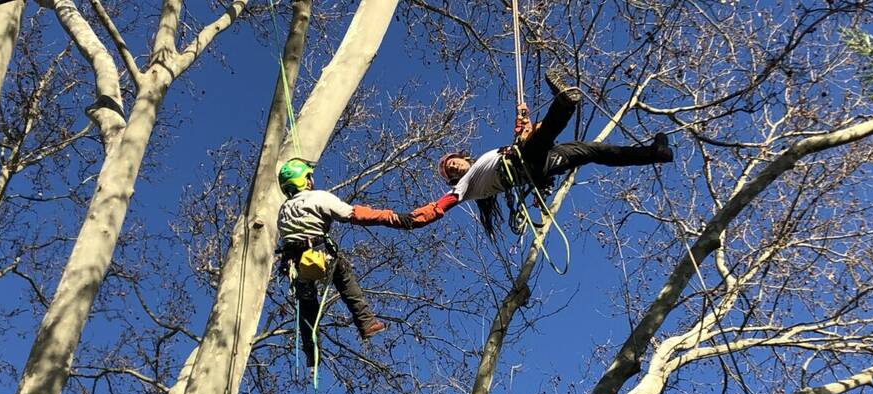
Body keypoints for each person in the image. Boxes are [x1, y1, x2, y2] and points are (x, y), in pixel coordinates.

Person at [406, 66, 674, 237]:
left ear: (462, 158)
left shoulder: (486, 158)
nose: (453, 167)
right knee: (543, 136)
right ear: (456, 178)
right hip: (521, 166)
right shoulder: (465, 186)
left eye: (452, 162)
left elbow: (523, 138)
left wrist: (523, 122)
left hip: (537, 163)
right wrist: (422, 215)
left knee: (592, 151)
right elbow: (446, 202)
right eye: (451, 171)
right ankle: (565, 102)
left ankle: (654, 153)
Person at [277, 158, 412, 367]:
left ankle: (311, 352)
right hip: (320, 253)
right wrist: (388, 216)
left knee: (307, 307)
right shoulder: (318, 197)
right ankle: (366, 323)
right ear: (305, 181)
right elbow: (351, 213)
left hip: (297, 262)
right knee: (346, 281)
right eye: (309, 177)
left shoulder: (283, 210)